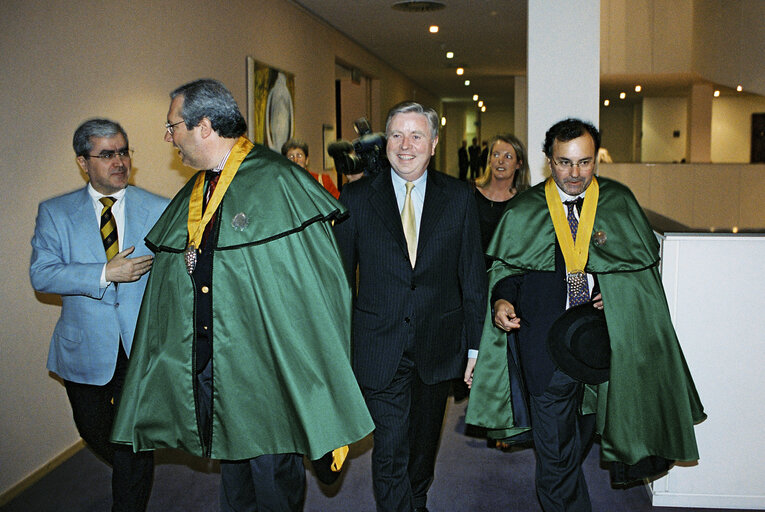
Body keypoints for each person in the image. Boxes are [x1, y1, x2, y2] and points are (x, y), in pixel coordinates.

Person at [111, 79, 374, 511]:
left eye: (172, 125)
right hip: (217, 361)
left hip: (268, 366)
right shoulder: (199, 188)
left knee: (271, 475)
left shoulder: (279, 182)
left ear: (205, 125)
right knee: (233, 472)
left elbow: (317, 288)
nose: (167, 136)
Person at [466, 118, 705, 511]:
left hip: (604, 346)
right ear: (547, 160)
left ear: (596, 159)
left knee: (578, 435)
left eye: (584, 162)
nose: (575, 174)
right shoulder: (526, 208)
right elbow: (508, 272)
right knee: (556, 453)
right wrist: (501, 301)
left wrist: (617, 295)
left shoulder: (618, 202)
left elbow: (639, 278)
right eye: (564, 163)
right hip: (544, 343)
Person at [333, 101, 487, 512]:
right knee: (389, 450)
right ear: (385, 143)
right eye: (396, 135)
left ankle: (415, 501)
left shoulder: (458, 197)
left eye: (416, 135)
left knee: (422, 450)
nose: (405, 145)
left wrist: (476, 348)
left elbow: (473, 277)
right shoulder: (357, 197)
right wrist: (337, 348)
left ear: (434, 143)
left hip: (438, 345)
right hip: (378, 344)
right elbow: (340, 279)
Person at [30, 119, 168, 511]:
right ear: (82, 161)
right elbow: (41, 274)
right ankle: (135, 462)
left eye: (123, 151)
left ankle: (133, 474)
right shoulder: (56, 213)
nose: (119, 161)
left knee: (130, 441)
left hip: (140, 346)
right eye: (106, 154)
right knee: (95, 431)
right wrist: (104, 273)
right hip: (85, 347)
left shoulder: (158, 208)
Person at [473, 134, 530, 261]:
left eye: (508, 156)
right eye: (496, 154)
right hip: (473, 273)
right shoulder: (470, 194)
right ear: (489, 160)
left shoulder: (525, 201)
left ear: (518, 164)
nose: (501, 161)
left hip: (508, 275)